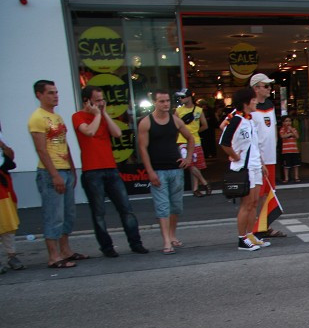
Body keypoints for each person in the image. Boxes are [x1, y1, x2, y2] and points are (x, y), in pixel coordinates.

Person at [73, 85, 148, 257]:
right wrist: (98, 115)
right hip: (92, 170)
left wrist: (104, 113)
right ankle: (107, 247)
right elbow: (89, 131)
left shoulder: (103, 117)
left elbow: (117, 133)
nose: (101, 103)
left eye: (102, 99)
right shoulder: (78, 116)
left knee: (126, 208)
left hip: (110, 168)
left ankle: (135, 243)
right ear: (87, 101)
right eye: (97, 100)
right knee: (99, 212)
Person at [29, 80, 81, 268]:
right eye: (50, 93)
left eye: (56, 92)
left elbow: (64, 144)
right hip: (50, 172)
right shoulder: (37, 118)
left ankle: (65, 250)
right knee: (54, 214)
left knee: (68, 213)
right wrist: (54, 175)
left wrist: (72, 168)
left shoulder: (57, 117)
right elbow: (41, 150)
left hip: (65, 169)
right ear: (39, 95)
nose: (55, 96)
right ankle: (53, 256)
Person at [136, 89, 193, 254]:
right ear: (155, 102)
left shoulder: (175, 120)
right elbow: (143, 148)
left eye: (167, 100)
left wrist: (188, 158)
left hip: (175, 168)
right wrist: (150, 171)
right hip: (158, 169)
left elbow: (190, 138)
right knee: (163, 206)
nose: (166, 104)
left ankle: (172, 235)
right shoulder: (146, 122)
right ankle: (166, 241)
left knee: (176, 206)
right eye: (161, 101)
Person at [219, 86, 267, 252]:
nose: (256, 102)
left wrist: (262, 164)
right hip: (243, 168)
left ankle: (250, 234)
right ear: (246, 102)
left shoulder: (249, 120)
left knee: (254, 203)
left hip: (254, 166)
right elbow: (224, 142)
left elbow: (254, 145)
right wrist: (234, 155)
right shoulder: (237, 119)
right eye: (253, 99)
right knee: (246, 204)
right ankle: (242, 239)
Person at [247, 73, 286, 239]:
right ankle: (252, 230)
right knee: (255, 197)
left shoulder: (269, 104)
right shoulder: (249, 107)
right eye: (266, 86)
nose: (270, 89)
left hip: (270, 157)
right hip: (257, 160)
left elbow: (273, 128)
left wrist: (275, 146)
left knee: (268, 194)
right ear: (256, 88)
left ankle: (263, 226)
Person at [174, 88, 210, 197]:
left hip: (195, 140)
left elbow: (205, 125)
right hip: (182, 140)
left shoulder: (198, 110)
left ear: (189, 97)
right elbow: (173, 125)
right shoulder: (178, 111)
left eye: (183, 97)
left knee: (195, 164)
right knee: (188, 162)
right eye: (180, 97)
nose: (181, 99)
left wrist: (194, 132)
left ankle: (195, 188)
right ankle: (204, 182)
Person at [0, 123, 24, 271]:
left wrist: (2, 145)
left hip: (2, 181)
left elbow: (11, 155)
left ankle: (11, 255)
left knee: (8, 219)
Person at [279, 116, 300, 182]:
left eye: (289, 121)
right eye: (286, 121)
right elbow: (282, 136)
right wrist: (290, 134)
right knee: (286, 165)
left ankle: (296, 177)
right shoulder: (282, 129)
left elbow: (297, 136)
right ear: (283, 123)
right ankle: (286, 178)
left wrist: (291, 131)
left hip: (294, 150)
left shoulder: (294, 129)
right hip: (286, 150)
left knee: (296, 164)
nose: (288, 122)